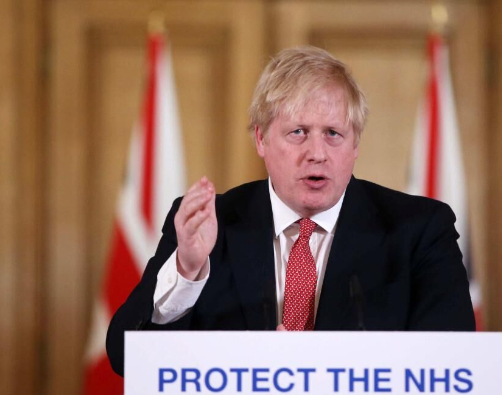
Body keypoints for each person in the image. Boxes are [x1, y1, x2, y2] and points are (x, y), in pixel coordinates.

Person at [106, 46, 475, 377]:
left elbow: (451, 366)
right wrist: (186, 271)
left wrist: (316, 372)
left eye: (333, 133)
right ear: (261, 139)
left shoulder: (419, 231)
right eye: (298, 132)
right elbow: (127, 359)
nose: (317, 153)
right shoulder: (209, 225)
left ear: (355, 144)